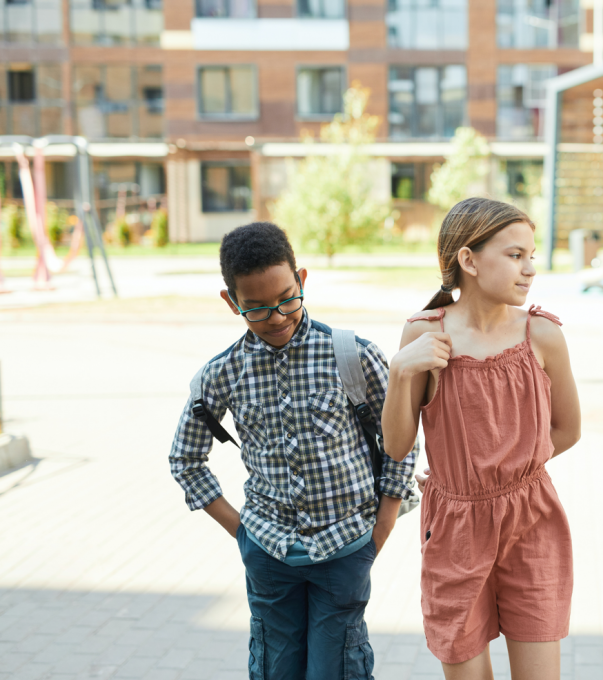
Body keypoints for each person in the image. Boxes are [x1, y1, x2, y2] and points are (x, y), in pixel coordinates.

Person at [169, 222, 417, 679]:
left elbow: (401, 445)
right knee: (275, 668)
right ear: (232, 302)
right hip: (267, 552)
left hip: (345, 547)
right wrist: (242, 532)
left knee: (337, 668)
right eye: (258, 309)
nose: (279, 316)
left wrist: (381, 526)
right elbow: (185, 459)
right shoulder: (222, 374)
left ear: (301, 279)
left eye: (287, 298)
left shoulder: (353, 355)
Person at [381, 197, 581, 680]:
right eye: (515, 255)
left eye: (531, 255)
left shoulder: (542, 335)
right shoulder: (424, 334)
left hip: (532, 520)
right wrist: (400, 372)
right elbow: (396, 446)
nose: (530, 268)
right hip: (455, 529)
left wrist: (510, 468)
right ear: (468, 261)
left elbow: (567, 429)